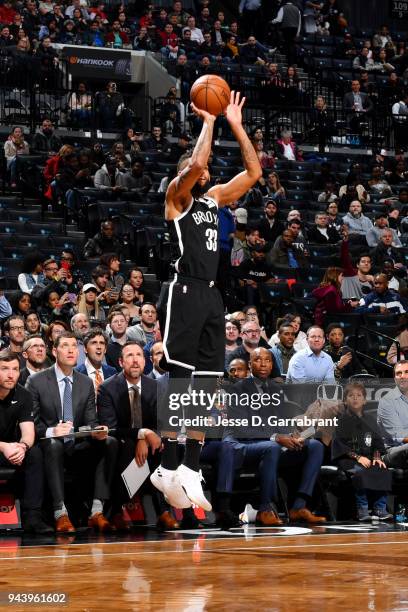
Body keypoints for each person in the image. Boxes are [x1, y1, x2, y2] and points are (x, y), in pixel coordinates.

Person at [151, 91, 262, 512]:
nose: (206, 170)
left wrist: (235, 122)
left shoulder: (214, 199)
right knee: (181, 380)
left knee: (207, 383)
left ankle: (190, 468)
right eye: (197, 169)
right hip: (183, 290)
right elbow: (197, 162)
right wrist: (210, 121)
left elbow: (253, 171)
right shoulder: (176, 199)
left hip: (213, 294)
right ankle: (168, 463)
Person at [25, 332, 117, 533]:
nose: (70, 350)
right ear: (54, 351)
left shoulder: (85, 383)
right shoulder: (37, 381)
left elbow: (90, 421)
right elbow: (30, 423)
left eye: (74, 346)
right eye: (65, 346)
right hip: (48, 447)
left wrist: (95, 431)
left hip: (77, 445)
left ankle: (96, 510)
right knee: (53, 443)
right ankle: (60, 513)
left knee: (109, 442)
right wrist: (52, 431)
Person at [222, 347, 326, 525]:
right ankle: (265, 509)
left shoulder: (276, 389)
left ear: (272, 364)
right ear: (250, 364)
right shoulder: (237, 389)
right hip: (244, 445)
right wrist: (277, 437)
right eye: (258, 360)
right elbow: (241, 428)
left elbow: (280, 421)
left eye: (268, 360)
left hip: (272, 445)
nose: (263, 364)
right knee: (272, 447)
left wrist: (292, 435)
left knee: (315, 446)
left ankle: (298, 506)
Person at [98, 341, 179, 530]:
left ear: (145, 361)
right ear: (120, 362)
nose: (135, 361)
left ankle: (164, 512)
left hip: (150, 442)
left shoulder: (157, 387)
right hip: (121, 441)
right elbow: (110, 427)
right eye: (129, 356)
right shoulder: (107, 388)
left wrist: (148, 437)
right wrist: (142, 433)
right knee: (127, 449)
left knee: (164, 446)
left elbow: (165, 422)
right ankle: (118, 510)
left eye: (139, 356)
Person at [0, 348, 52, 534]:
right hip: (3, 447)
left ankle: (32, 516)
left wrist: (22, 447)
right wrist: (4, 446)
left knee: (35, 452)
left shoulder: (23, 394)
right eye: (5, 368)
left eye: (15, 369)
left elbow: (28, 431)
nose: (11, 374)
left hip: (11, 447)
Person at [333, 382, 392, 521]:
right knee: (359, 472)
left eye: (359, 395)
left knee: (383, 469)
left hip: (368, 458)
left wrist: (377, 457)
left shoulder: (370, 420)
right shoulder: (341, 420)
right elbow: (340, 444)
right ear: (345, 400)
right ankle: (363, 509)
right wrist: (358, 457)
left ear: (364, 400)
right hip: (348, 459)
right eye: (351, 395)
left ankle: (380, 508)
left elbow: (377, 443)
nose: (355, 398)